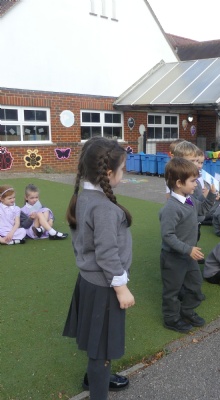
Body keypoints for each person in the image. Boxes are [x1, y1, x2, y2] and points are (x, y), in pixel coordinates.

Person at [63, 137, 135, 399]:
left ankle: (93, 379)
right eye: (122, 169)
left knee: (98, 342)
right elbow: (106, 254)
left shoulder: (85, 196)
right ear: (108, 172)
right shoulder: (103, 207)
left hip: (91, 282)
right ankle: (97, 390)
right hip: (104, 287)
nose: (123, 174)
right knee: (102, 350)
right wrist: (122, 288)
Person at [159, 157, 217, 334]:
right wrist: (188, 249)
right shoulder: (171, 208)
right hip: (173, 258)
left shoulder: (189, 199)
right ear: (179, 183)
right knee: (172, 290)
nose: (196, 184)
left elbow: (202, 210)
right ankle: (171, 319)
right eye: (193, 181)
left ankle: (186, 311)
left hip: (188, 255)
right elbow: (167, 236)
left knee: (195, 285)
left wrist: (212, 195)